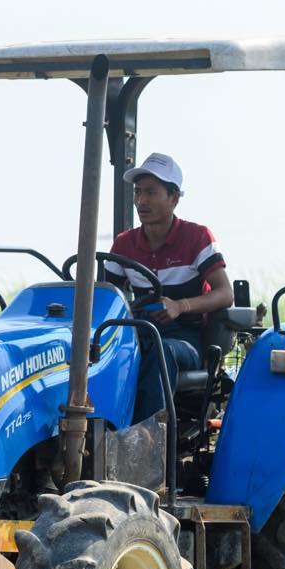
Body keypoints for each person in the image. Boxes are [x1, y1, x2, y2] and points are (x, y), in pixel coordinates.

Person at [102, 152, 234, 423]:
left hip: (185, 338)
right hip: (141, 334)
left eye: (151, 192)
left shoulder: (197, 237)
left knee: (163, 350)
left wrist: (180, 306)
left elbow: (225, 293)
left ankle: (147, 438)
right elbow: (105, 296)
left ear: (173, 198)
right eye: (138, 193)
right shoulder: (124, 243)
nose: (141, 201)